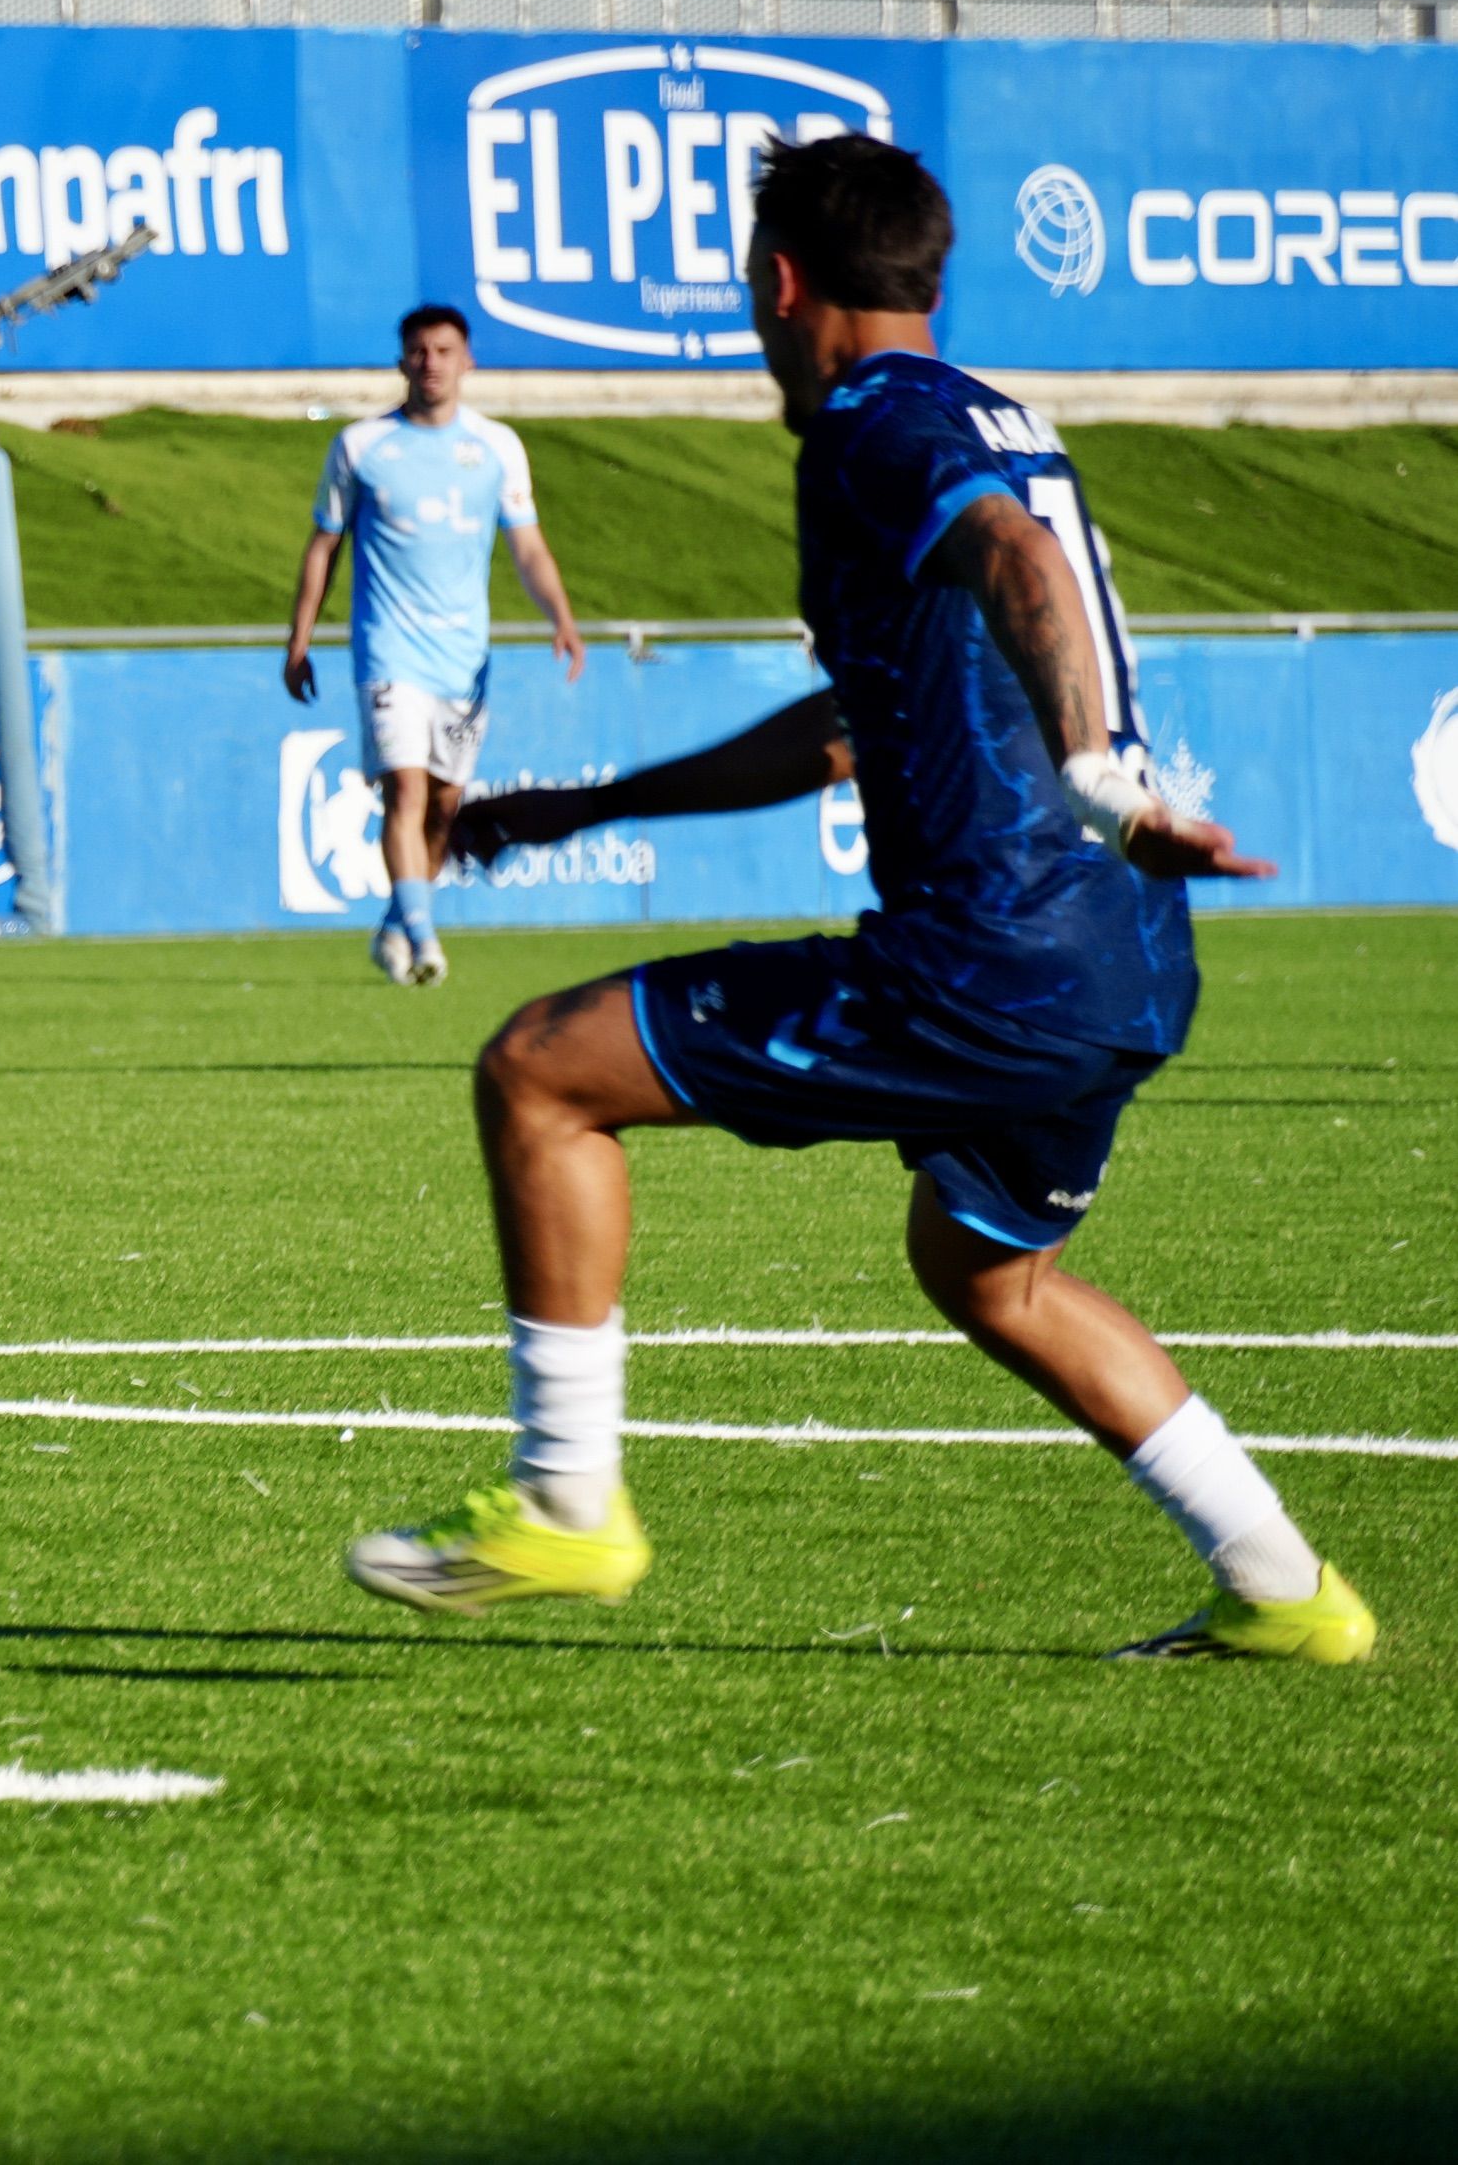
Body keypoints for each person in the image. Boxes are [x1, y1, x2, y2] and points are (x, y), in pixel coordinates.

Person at [362, 133, 1371, 1665]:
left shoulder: (864, 429)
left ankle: (567, 1504)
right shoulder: (989, 412)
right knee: (984, 1268)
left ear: (780, 284)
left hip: (991, 961)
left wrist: (1099, 777)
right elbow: (851, 722)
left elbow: (1011, 554)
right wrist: (593, 806)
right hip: (1128, 962)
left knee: (537, 1073)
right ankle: (1284, 1587)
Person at [283, 303, 585, 985]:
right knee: (405, 792)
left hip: (463, 658)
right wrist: (298, 637)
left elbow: (527, 544)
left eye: (443, 350)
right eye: (417, 351)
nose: (430, 363)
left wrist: (559, 615)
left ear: (466, 360)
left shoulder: (496, 447)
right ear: (400, 361)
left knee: (445, 806)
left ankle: (396, 918)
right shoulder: (360, 446)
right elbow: (323, 545)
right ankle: (422, 938)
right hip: (387, 651)